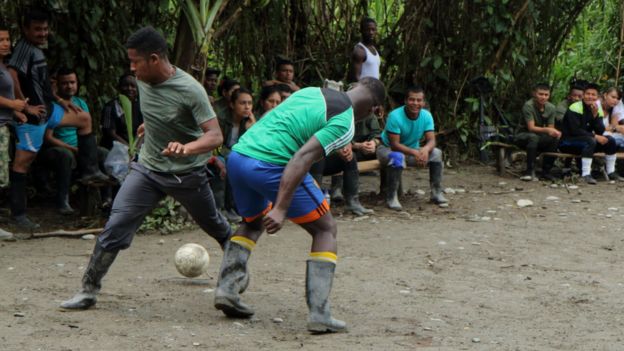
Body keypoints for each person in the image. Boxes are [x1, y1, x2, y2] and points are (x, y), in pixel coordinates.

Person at [60, 26, 232, 310]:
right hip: (148, 169)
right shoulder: (142, 80)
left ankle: (233, 281)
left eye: (135, 61)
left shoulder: (191, 90)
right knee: (115, 225)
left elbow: (215, 136)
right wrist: (149, 126)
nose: (131, 68)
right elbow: (159, 111)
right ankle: (88, 290)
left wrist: (186, 148)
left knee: (216, 226)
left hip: (186, 174)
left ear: (154, 59)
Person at [213, 77, 385, 333]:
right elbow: (302, 157)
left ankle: (227, 288)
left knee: (252, 222)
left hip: (239, 157)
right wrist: (281, 207)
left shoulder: (311, 91)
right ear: (374, 109)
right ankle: (320, 313)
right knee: (325, 229)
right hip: (271, 164)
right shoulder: (345, 122)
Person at [8, 8, 107, 230]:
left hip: (49, 109)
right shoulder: (23, 49)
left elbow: (41, 83)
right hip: (34, 117)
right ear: (25, 29)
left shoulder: (36, 49)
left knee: (84, 118)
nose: (42, 33)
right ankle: (19, 214)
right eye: (37, 29)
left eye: (45, 29)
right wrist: (23, 104)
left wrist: (60, 101)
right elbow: (13, 74)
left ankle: (90, 170)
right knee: (22, 163)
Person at [40, 67, 111, 215]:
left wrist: (86, 149)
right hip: (56, 148)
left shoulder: (80, 103)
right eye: (65, 83)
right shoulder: (52, 105)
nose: (69, 86)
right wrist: (72, 149)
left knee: (103, 153)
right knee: (65, 156)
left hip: (80, 147)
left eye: (72, 82)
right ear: (57, 84)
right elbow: (48, 137)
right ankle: (63, 202)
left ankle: (107, 199)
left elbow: (88, 131)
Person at [376, 86, 448, 210]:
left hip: (411, 151)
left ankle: (436, 193)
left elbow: (431, 140)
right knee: (397, 157)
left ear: (423, 102)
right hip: (388, 150)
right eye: (412, 100)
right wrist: (415, 152)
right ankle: (392, 197)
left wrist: (424, 150)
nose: (415, 103)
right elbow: (395, 145)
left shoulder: (426, 116)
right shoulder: (395, 116)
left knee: (436, 153)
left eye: (419, 100)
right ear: (405, 101)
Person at [559, 83, 622, 184]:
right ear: (583, 95)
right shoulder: (575, 107)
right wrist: (595, 136)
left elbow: (600, 131)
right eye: (588, 94)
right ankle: (586, 174)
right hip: (567, 143)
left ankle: (611, 172)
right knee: (590, 141)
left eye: (593, 95)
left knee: (610, 140)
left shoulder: (597, 109)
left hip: (586, 142)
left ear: (597, 97)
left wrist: (595, 115)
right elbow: (575, 131)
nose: (590, 97)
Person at [0, 24, 27, 241]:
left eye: (7, 39)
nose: (6, 43)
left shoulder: (3, 66)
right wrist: (13, 104)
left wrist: (15, 112)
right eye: (1, 40)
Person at [214, 87, 256, 222]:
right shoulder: (221, 118)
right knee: (231, 163)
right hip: (218, 153)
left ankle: (238, 207)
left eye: (249, 103)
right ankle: (222, 209)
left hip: (236, 155)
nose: (247, 107)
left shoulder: (248, 121)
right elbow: (217, 144)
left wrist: (252, 129)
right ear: (232, 105)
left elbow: (253, 147)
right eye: (243, 103)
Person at [513, 83, 560, 181]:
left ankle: (546, 172)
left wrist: (554, 132)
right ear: (534, 94)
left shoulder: (551, 107)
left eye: (546, 95)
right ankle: (529, 171)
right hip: (523, 135)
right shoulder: (528, 106)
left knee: (554, 139)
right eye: (541, 94)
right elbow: (531, 128)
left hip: (539, 136)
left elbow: (551, 128)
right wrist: (548, 130)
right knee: (533, 137)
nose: (543, 97)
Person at [100, 73, 143, 150]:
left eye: (133, 86)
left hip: (136, 149)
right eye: (125, 86)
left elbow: (143, 131)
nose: (129, 88)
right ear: (119, 88)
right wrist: (129, 149)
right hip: (114, 150)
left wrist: (136, 149)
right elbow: (109, 133)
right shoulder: (110, 107)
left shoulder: (141, 107)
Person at [351, 17, 381, 81]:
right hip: (364, 90)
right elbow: (356, 77)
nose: (371, 32)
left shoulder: (374, 49)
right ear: (361, 31)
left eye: (373, 30)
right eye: (367, 30)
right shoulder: (359, 51)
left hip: (374, 90)